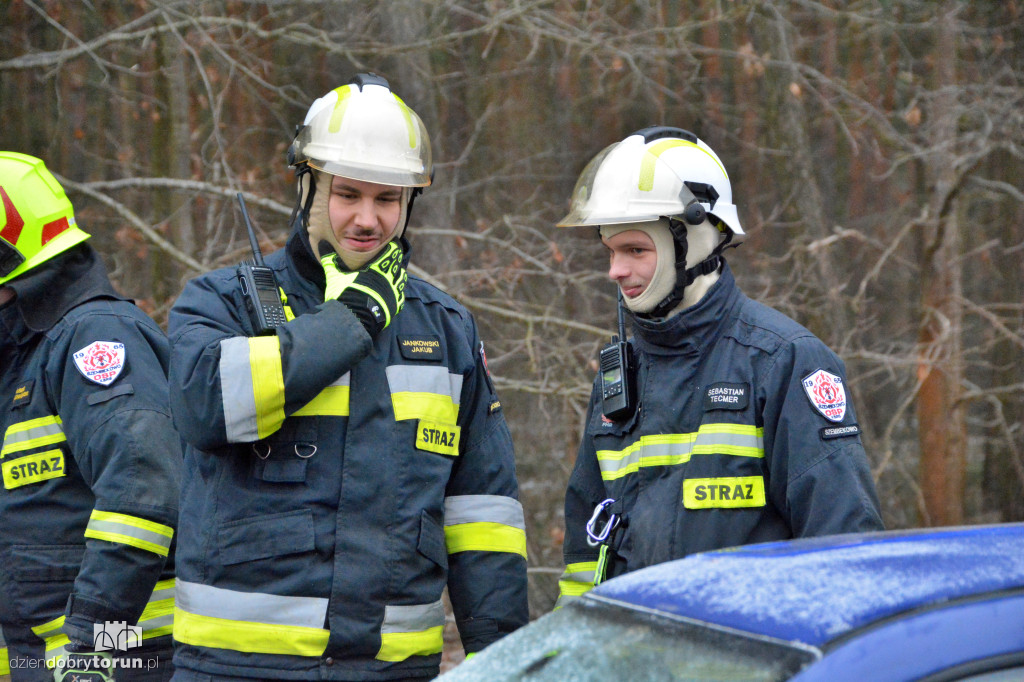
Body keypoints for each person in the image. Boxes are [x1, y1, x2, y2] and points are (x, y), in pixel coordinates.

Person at [166, 73, 528, 681]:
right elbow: (202, 407)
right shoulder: (221, 301)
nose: (368, 219)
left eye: (387, 200)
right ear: (307, 186)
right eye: (348, 194)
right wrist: (350, 322)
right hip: (236, 670)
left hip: (388, 671)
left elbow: (482, 517)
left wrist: (506, 667)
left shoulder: (446, 330)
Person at [554, 127, 884, 607]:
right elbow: (587, 555)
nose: (615, 271)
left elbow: (844, 551)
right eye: (611, 251)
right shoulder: (620, 376)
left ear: (696, 241)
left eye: (635, 250)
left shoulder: (783, 361)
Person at [0, 151, 180, 680]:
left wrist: (90, 645)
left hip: (122, 662)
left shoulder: (93, 339)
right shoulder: (17, 360)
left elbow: (143, 489)